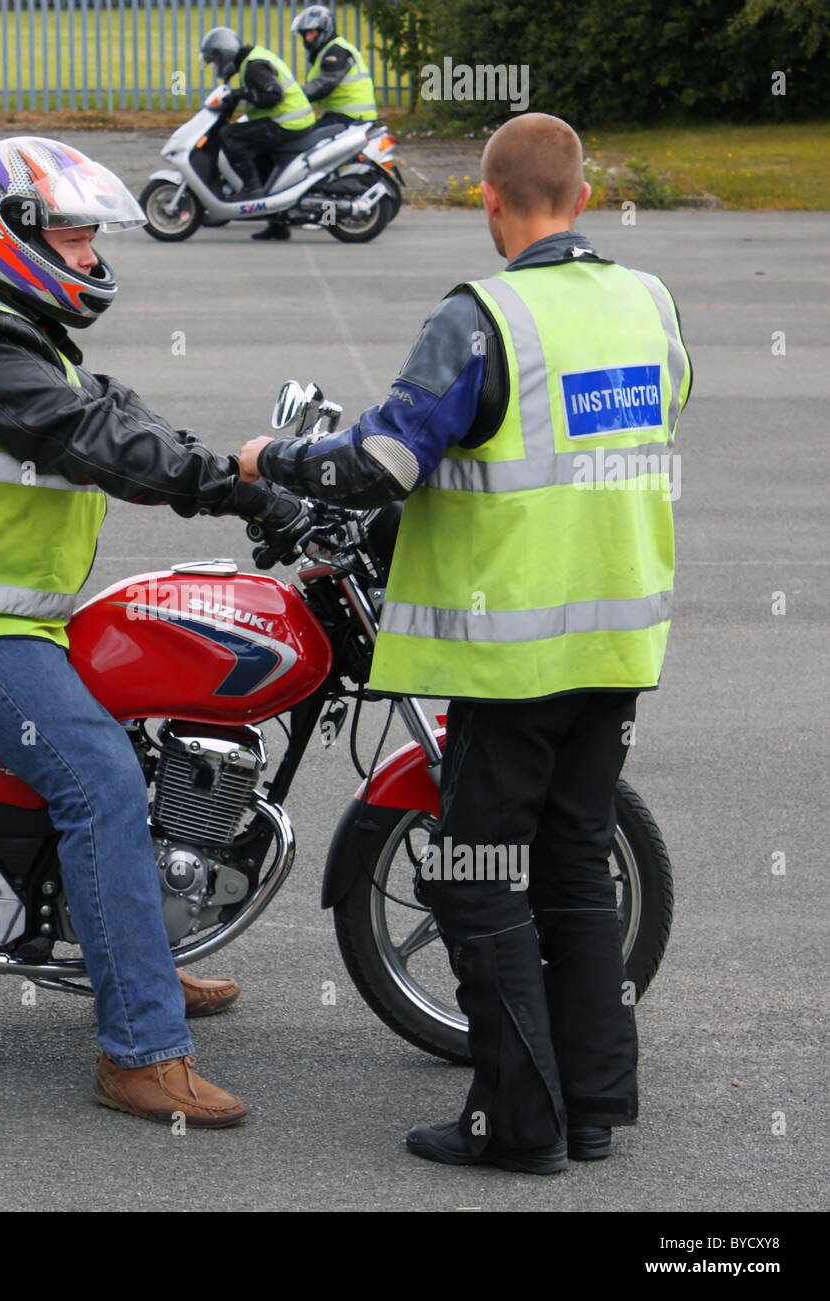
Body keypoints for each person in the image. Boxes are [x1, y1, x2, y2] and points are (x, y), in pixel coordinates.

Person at [239, 112, 692, 1172]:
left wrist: (277, 457)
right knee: (573, 866)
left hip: (513, 650)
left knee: (475, 872)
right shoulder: (649, 303)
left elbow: (380, 463)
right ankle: (592, 1106)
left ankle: (514, 1124)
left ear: (489, 201)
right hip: (617, 643)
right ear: (581, 197)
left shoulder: (483, 318)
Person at [0, 136, 309, 1128]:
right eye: (72, 234)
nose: (90, 254)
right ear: (7, 235)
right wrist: (227, 487)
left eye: (92, 235)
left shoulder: (12, 322)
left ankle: (136, 960)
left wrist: (233, 471)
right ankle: (138, 1048)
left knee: (129, 746)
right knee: (99, 780)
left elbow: (110, 411)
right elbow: (87, 438)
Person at [200, 25, 314, 241]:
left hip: (288, 123)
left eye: (215, 61)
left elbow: (272, 94)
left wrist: (240, 93)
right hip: (289, 121)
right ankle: (277, 224)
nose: (216, 66)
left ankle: (252, 189)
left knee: (230, 135)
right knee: (261, 161)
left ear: (224, 54)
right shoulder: (250, 61)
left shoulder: (252, 66)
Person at [291, 5, 379, 128]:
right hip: (341, 116)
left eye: (311, 33)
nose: (308, 39)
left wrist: (291, 95)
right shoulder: (326, 50)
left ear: (325, 29)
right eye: (305, 34)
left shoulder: (337, 51)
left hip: (353, 118)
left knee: (305, 140)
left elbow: (324, 85)